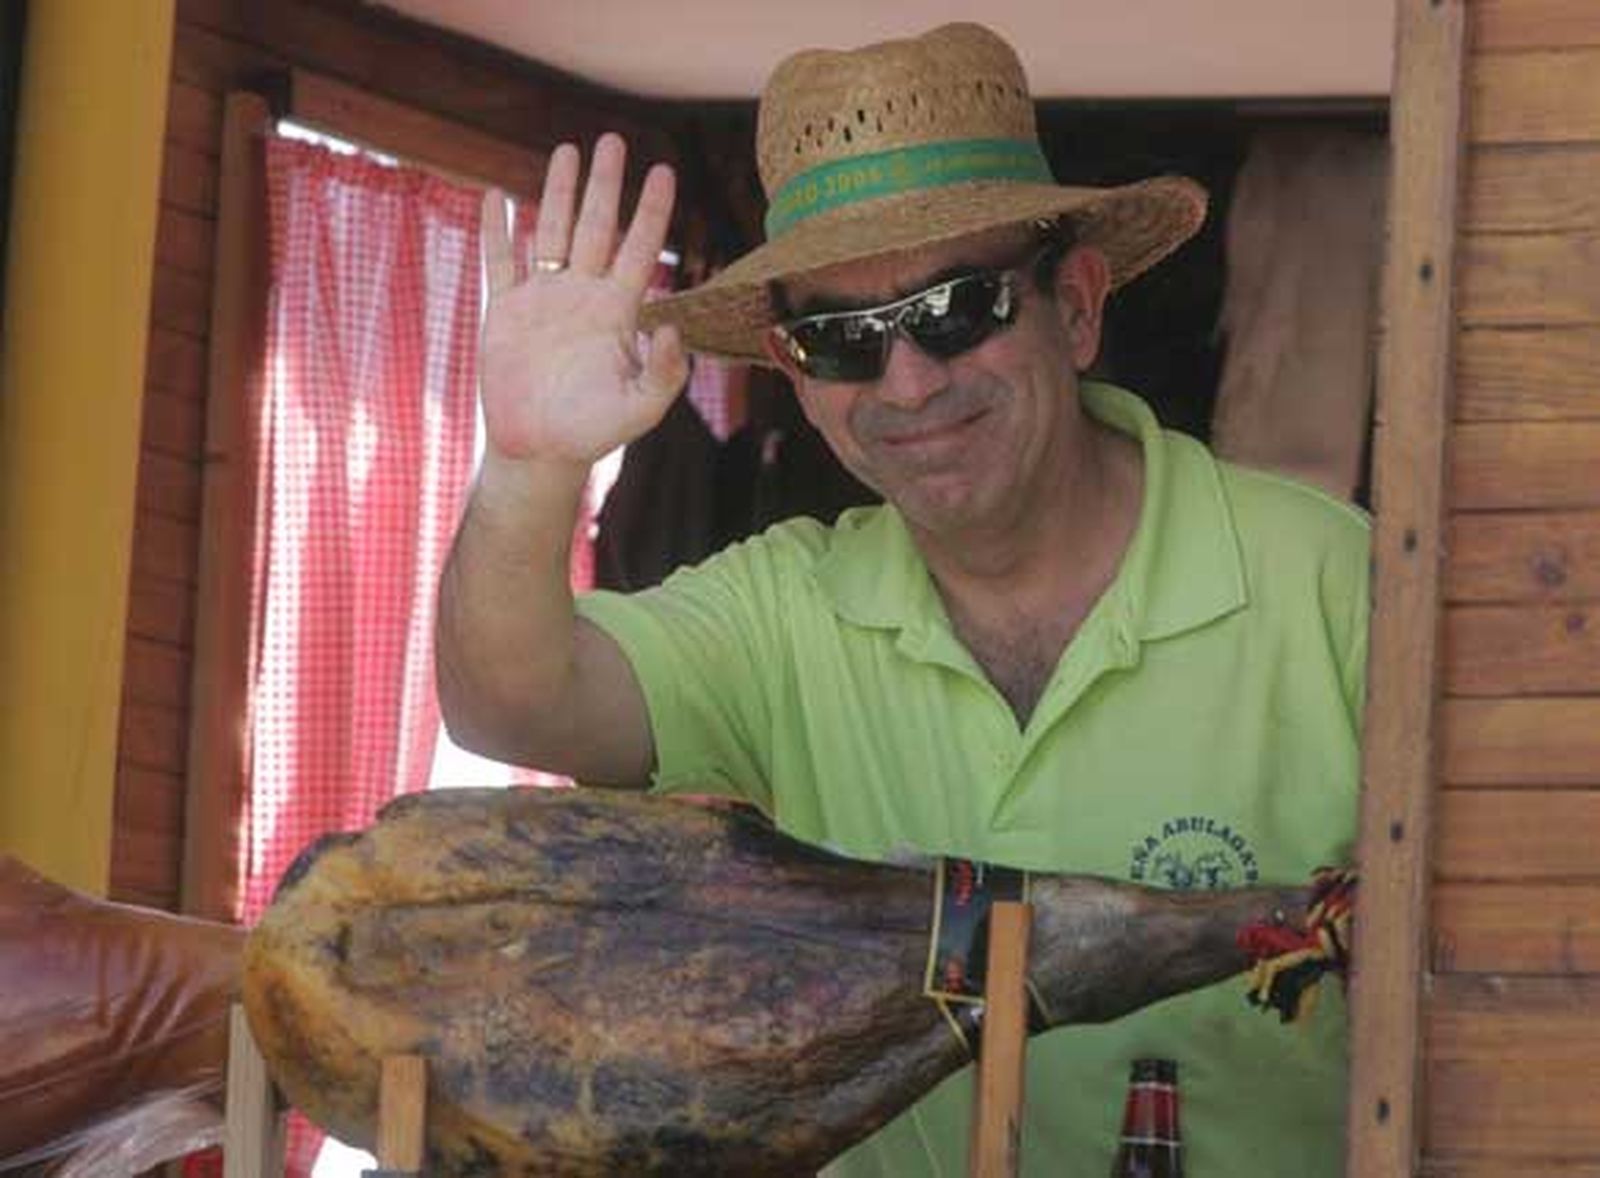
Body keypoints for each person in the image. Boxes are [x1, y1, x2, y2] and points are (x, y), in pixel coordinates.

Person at [436, 22, 1369, 1178]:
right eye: (842, 340)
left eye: (956, 308)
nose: (910, 381)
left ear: (1075, 306)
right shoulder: (783, 611)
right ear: (795, 375)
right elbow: (509, 703)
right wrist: (528, 467)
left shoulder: (1339, 585)